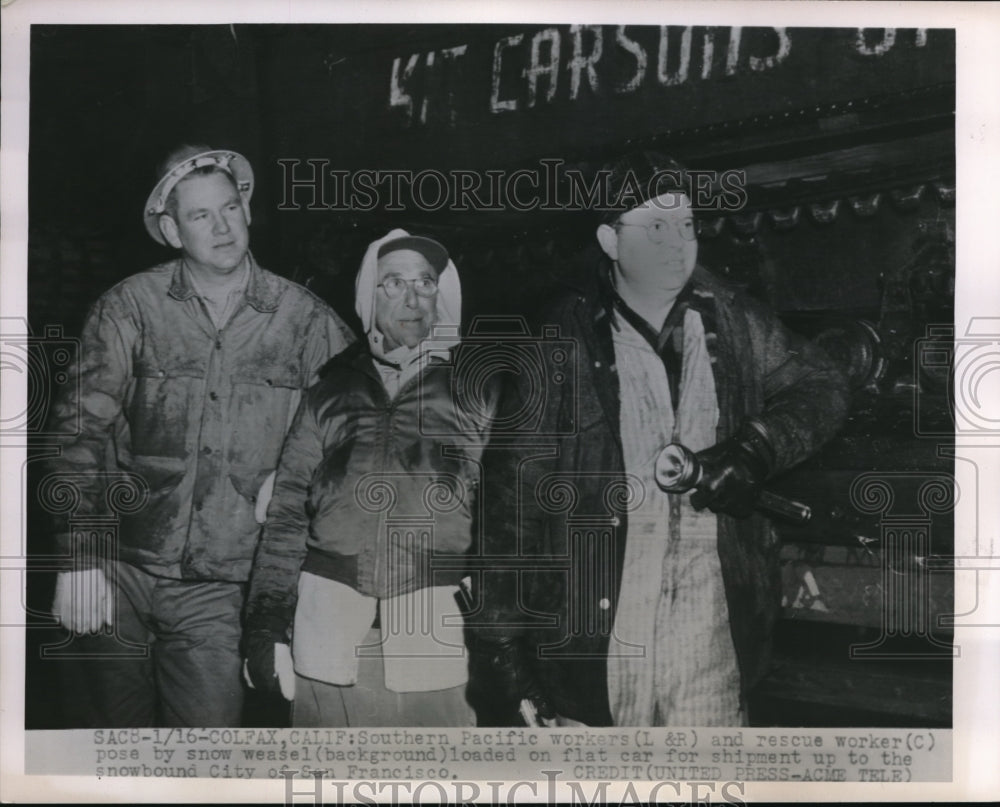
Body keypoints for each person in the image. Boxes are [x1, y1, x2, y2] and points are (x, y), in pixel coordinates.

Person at [473, 151, 850, 727]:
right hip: (595, 647)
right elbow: (509, 511)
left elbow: (823, 383)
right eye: (655, 228)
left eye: (687, 226)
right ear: (610, 240)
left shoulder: (733, 322)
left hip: (710, 639)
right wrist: (505, 662)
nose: (678, 244)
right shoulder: (558, 341)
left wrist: (756, 447)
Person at [46, 144, 354, 727]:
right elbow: (77, 434)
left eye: (230, 208)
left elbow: (358, 436)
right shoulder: (129, 308)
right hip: (119, 572)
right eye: (199, 216)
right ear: (170, 230)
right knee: (111, 752)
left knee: (206, 752)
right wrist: (77, 559)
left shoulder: (306, 321)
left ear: (247, 208)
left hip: (221, 590)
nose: (222, 227)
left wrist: (298, 485)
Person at [243, 230, 497, 727]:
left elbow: (508, 516)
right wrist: (265, 629)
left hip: (441, 646)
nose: (411, 297)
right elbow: (287, 516)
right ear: (367, 296)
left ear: (442, 297)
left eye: (425, 283)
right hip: (328, 640)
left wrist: (504, 637)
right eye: (393, 283)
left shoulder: (479, 391)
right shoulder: (328, 392)